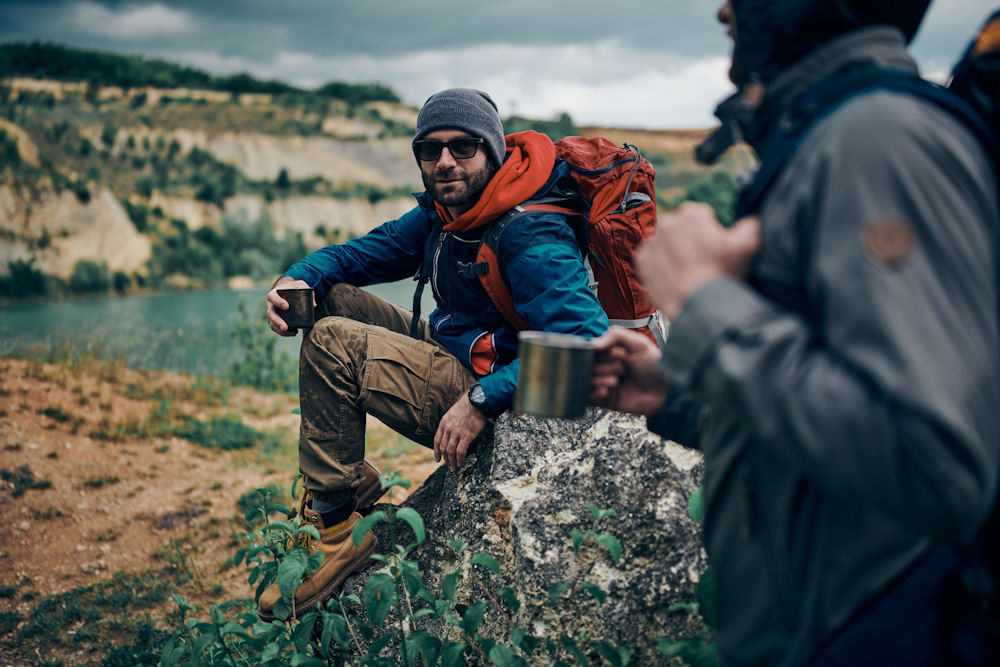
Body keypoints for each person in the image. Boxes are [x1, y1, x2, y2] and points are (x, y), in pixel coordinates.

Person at [591, 1, 1000, 665]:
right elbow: (833, 395)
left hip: (882, 632)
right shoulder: (830, 133)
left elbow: (933, 461)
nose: (723, 9)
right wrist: (675, 393)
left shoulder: (879, 139)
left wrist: (705, 304)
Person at [259, 88, 608, 619]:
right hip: (461, 358)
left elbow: (587, 345)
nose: (445, 161)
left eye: (463, 147)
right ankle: (348, 482)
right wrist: (298, 277)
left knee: (334, 341)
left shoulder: (530, 231)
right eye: (430, 148)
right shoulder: (446, 212)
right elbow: (358, 255)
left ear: (492, 151)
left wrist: (482, 399)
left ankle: (333, 528)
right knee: (330, 299)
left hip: (506, 396)